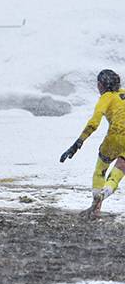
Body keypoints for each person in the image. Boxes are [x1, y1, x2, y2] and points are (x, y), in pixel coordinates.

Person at [60, 69, 125, 219]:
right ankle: (105, 193)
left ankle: (96, 208)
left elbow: (94, 122)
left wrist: (78, 143)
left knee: (100, 171)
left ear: (101, 84)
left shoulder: (106, 98)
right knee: (118, 172)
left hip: (115, 137)